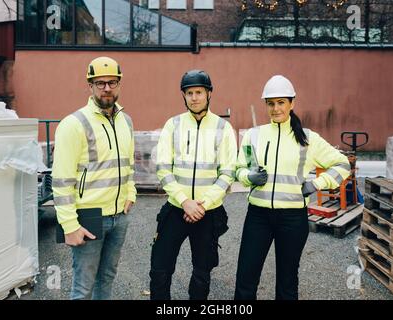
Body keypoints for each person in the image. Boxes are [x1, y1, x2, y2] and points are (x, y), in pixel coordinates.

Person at [234, 75, 350, 300]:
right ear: (265, 105)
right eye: (270, 103)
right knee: (246, 276)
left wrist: (316, 184)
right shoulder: (253, 135)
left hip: (293, 218)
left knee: (287, 280)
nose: (275, 108)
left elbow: (342, 164)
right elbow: (238, 169)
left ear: (291, 103)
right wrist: (249, 176)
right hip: (258, 217)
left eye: (281, 102)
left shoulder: (308, 138)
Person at [52, 56, 136, 300]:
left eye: (112, 82)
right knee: (83, 287)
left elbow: (129, 164)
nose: (106, 88)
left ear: (119, 84)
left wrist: (131, 193)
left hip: (119, 217)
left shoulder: (126, 121)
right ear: (90, 86)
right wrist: (69, 225)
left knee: (106, 279)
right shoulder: (73, 124)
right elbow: (61, 181)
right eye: (100, 83)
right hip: (88, 218)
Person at [150, 70, 237, 300]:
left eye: (199, 92)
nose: (195, 97)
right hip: (176, 209)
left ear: (209, 94)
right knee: (160, 268)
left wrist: (202, 205)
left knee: (202, 271)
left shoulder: (223, 128)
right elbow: (163, 168)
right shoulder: (173, 125)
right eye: (189, 93)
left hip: (206, 213)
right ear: (184, 96)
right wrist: (185, 202)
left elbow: (228, 173)